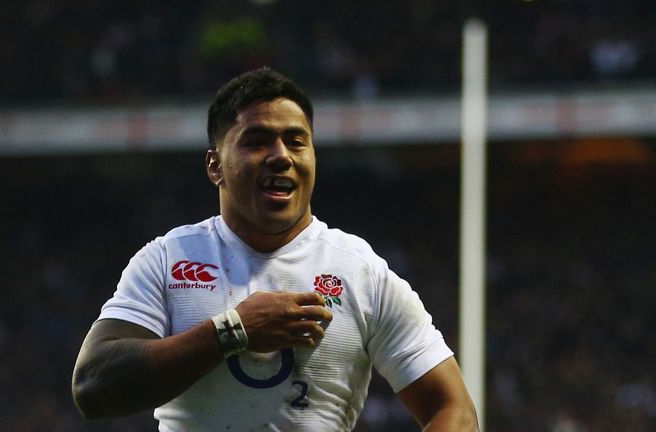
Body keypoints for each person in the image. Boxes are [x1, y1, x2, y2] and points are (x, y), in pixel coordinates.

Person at [71, 66, 478, 431]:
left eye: (296, 141)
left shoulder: (361, 272)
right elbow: (93, 386)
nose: (281, 156)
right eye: (258, 141)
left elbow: (454, 410)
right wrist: (233, 332)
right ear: (215, 165)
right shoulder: (168, 260)